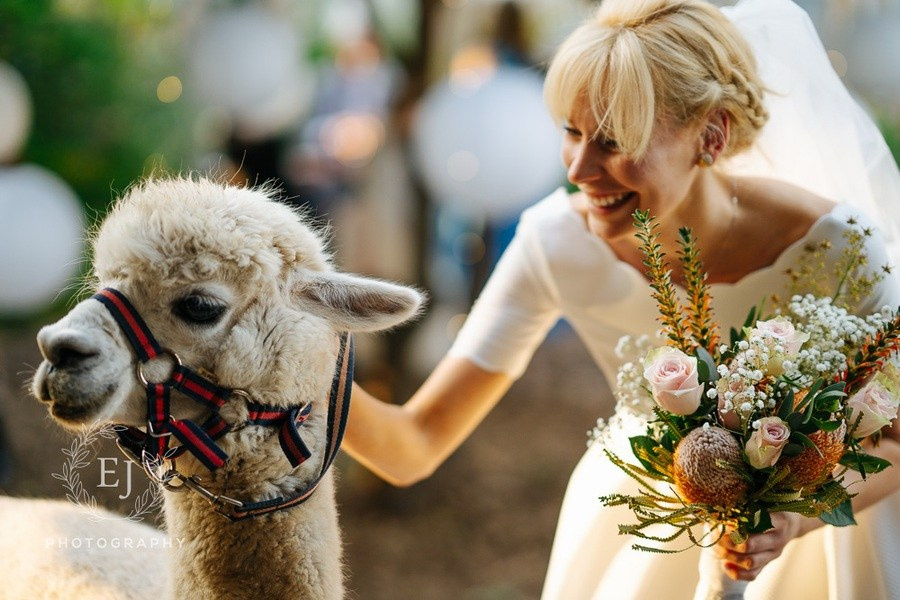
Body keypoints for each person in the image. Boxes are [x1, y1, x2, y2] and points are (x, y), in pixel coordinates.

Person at [342, 0, 900, 598]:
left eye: (612, 140)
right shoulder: (554, 242)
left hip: (820, 550)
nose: (580, 169)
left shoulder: (837, 249)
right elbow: (414, 447)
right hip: (640, 536)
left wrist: (793, 519)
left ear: (711, 135)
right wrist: (305, 373)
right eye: (572, 132)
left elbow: (893, 442)